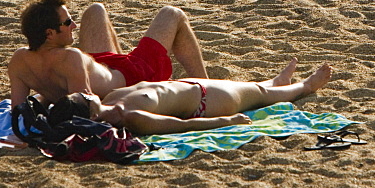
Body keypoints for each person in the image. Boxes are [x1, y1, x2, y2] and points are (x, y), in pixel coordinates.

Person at [8, 0, 208, 107]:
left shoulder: (19, 59)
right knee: (172, 14)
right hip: (133, 77)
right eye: (67, 22)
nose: (74, 26)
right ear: (50, 34)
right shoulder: (71, 57)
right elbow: (87, 109)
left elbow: (18, 111)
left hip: (101, 64)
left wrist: (43, 99)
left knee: (95, 10)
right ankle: (208, 87)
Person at [50, 58, 332, 135]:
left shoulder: (110, 98)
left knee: (254, 88)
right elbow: (182, 126)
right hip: (208, 102)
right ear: (90, 113)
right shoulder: (131, 118)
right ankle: (303, 88)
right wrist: (225, 121)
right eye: (84, 98)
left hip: (192, 86)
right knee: (259, 94)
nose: (87, 93)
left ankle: (274, 82)